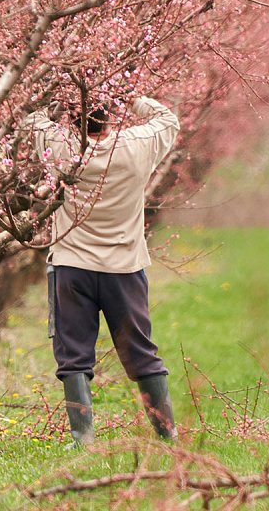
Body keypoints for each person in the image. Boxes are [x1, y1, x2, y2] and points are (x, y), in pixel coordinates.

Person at [25, 94, 180, 445]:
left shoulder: (60, 145)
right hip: (124, 268)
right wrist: (131, 98)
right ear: (110, 117)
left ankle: (83, 440)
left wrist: (57, 94)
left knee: (73, 354)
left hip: (72, 267)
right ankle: (167, 434)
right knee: (141, 350)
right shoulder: (136, 145)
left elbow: (30, 118)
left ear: (72, 119)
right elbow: (168, 119)